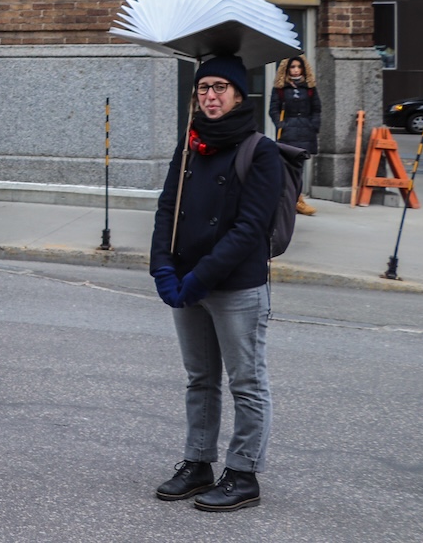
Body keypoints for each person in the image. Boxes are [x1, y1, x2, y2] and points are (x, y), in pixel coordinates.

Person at [150, 54, 281, 512]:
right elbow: (168, 209)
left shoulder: (259, 150)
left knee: (246, 381)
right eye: (203, 87)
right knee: (200, 379)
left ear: (239, 95)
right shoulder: (189, 145)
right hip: (187, 282)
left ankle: (243, 473)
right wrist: (162, 268)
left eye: (220, 87)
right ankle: (198, 462)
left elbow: (250, 229)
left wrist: (198, 278)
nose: (210, 96)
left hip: (236, 287)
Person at [270, 54, 320, 216]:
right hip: (288, 132)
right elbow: (274, 109)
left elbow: (316, 109)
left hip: (305, 131)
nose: (296, 70)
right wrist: (281, 124)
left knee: (299, 167)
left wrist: (313, 126)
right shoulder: (280, 89)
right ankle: (289, 199)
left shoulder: (310, 88)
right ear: (287, 69)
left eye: (299, 67)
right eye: (293, 67)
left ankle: (298, 200)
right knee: (287, 168)